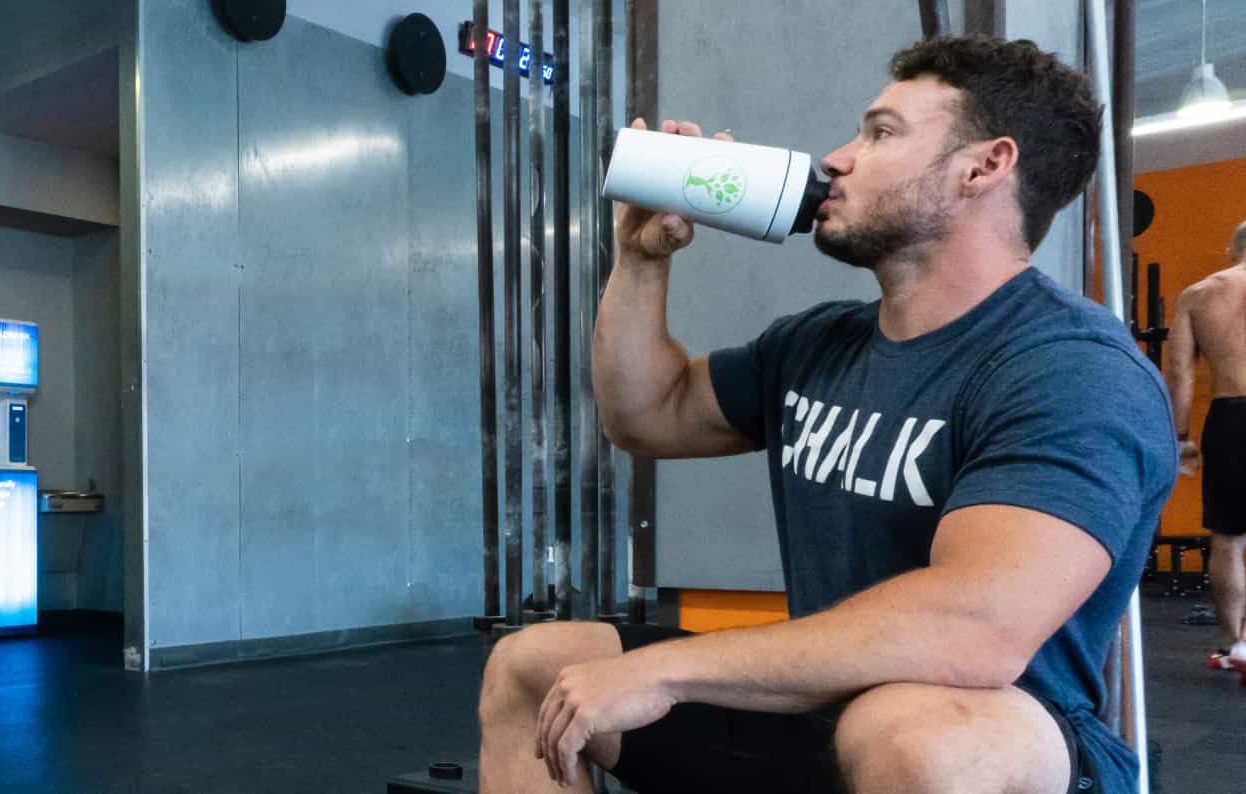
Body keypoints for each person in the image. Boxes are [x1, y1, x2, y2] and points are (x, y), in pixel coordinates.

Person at [477, 35, 1174, 794]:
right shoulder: (821, 344)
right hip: (823, 714)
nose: (837, 158)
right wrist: (643, 259)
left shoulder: (1070, 369)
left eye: (880, 133)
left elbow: (975, 627)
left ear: (983, 167)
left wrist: (665, 670)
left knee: (916, 735)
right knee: (534, 665)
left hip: (992, 736)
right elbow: (647, 415)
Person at [1170, 219, 1246, 672]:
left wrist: (1180, 437)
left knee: (1229, 536)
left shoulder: (1199, 294)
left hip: (1231, 416)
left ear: (1231, 247)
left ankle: (1234, 644)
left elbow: (1181, 374)